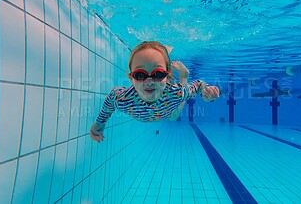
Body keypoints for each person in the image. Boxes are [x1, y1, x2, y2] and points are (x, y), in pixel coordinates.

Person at [90, 41, 220, 143]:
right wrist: (100, 123)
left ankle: (183, 76)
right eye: (140, 75)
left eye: (158, 74)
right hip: (163, 109)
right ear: (131, 78)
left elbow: (197, 86)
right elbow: (110, 100)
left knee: (173, 117)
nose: (149, 81)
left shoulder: (175, 93)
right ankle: (166, 56)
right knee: (173, 117)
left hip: (168, 106)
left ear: (167, 75)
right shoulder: (123, 99)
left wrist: (206, 91)